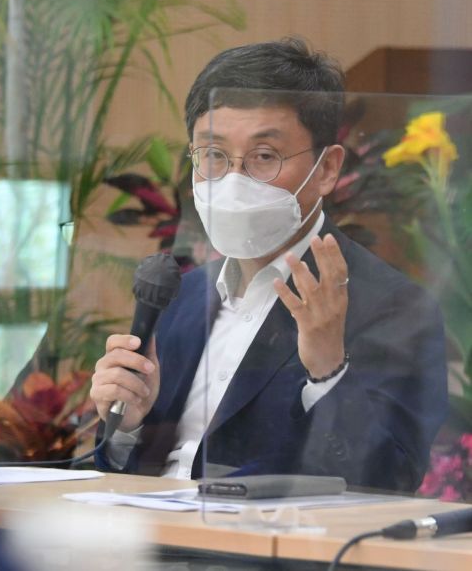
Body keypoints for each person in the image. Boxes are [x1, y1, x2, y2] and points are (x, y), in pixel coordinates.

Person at [89, 37, 447, 492]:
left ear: (326, 169)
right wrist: (127, 425)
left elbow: (390, 481)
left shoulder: (391, 306)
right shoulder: (182, 297)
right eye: (213, 155)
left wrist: (328, 372)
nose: (233, 181)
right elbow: (134, 473)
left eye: (264, 157)